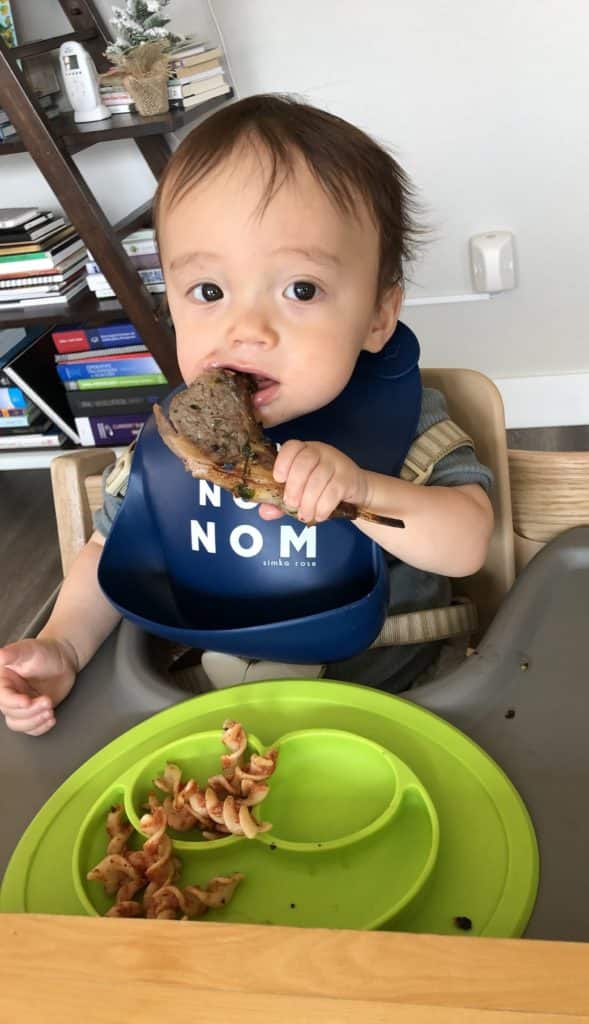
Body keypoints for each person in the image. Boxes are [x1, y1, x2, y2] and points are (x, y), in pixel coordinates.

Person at [0, 94, 493, 736]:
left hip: (397, 707)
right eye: (209, 292)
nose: (247, 330)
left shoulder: (404, 421)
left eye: (301, 289)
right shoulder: (175, 442)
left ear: (377, 315)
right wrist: (63, 647)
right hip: (218, 714)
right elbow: (109, 552)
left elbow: (468, 544)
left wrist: (365, 490)